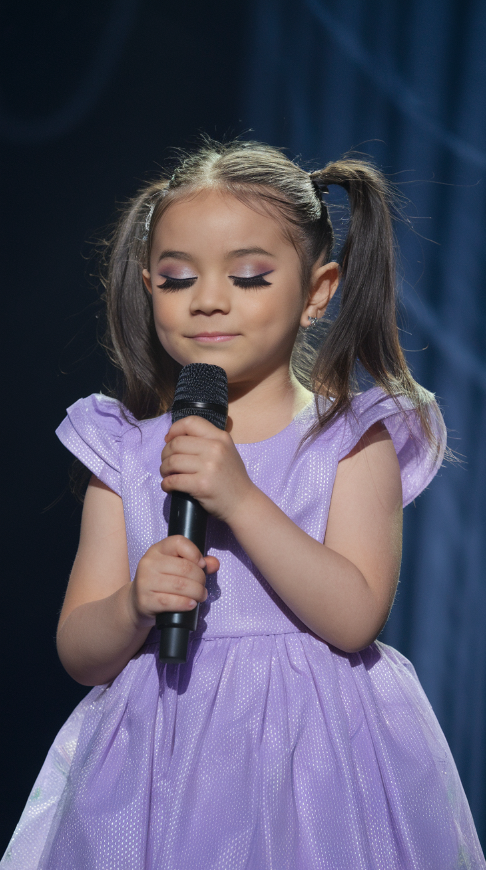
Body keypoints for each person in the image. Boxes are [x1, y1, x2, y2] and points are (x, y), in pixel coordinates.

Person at [3, 138, 484, 870]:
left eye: (250, 276)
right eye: (176, 278)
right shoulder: (125, 449)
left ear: (318, 290)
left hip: (316, 768)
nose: (208, 299)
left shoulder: (352, 437)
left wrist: (241, 498)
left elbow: (354, 616)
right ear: (147, 286)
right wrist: (135, 602)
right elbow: (80, 649)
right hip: (156, 762)